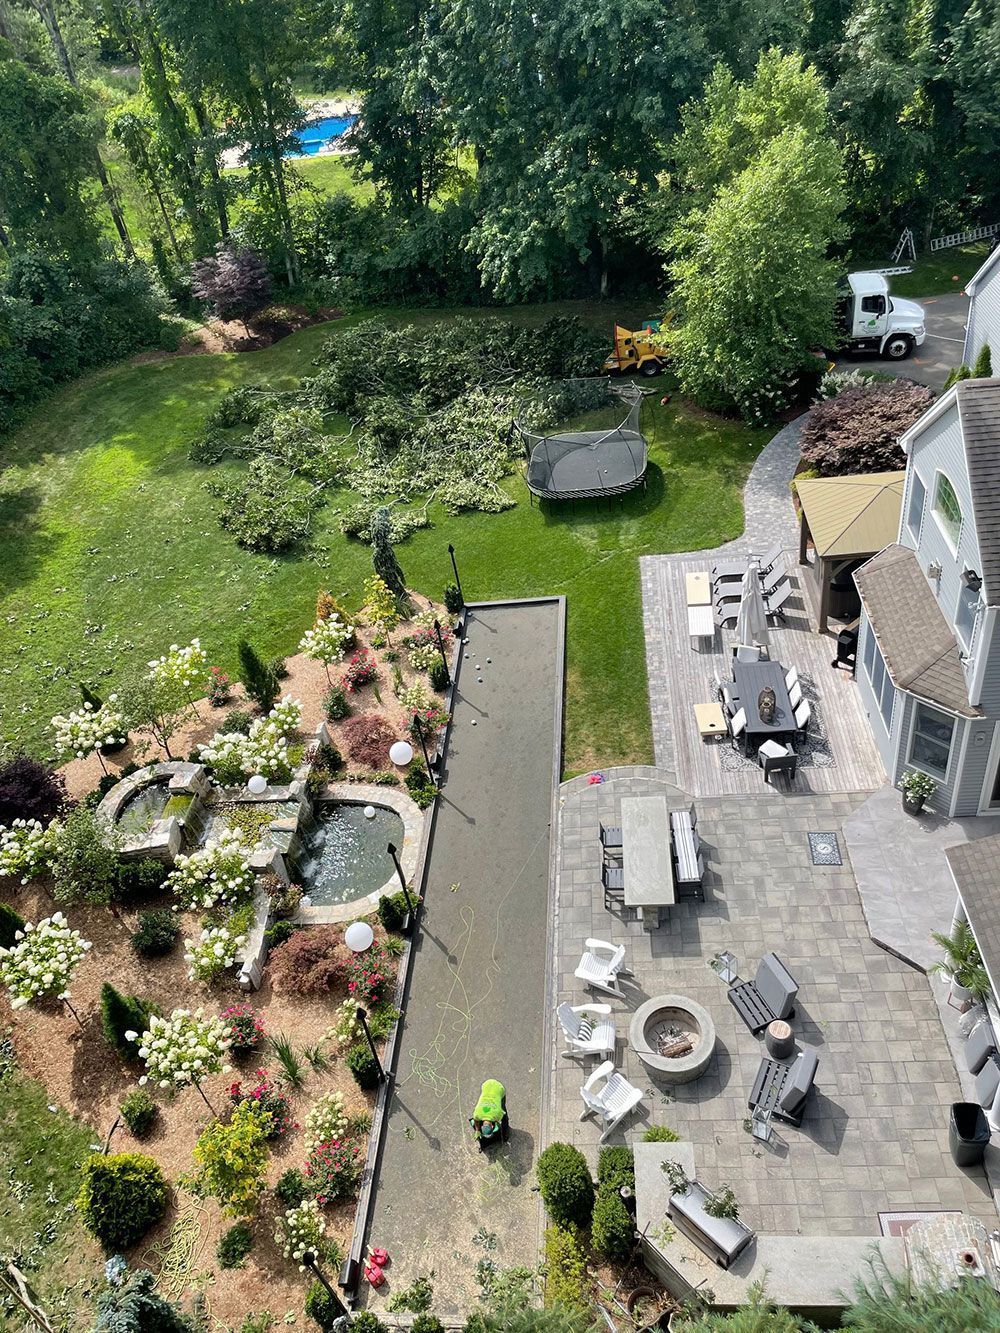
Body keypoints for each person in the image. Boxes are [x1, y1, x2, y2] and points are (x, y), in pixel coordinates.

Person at [469, 1078, 508, 1147]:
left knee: (503, 1112)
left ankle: (506, 1132)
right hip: (486, 1086)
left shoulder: (498, 1114)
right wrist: (477, 1131)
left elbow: (502, 1118)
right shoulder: (477, 1114)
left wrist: (477, 1130)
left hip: (498, 1088)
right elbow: (476, 1120)